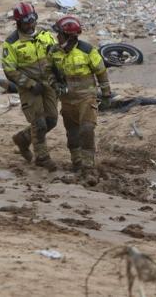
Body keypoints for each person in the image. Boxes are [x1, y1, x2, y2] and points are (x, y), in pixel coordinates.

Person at [48, 15, 111, 185]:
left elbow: (101, 73)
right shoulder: (54, 52)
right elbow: (49, 73)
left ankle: (88, 166)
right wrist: (55, 84)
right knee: (72, 132)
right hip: (67, 100)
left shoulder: (88, 51)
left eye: (59, 34)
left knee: (87, 129)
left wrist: (106, 95)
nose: (57, 37)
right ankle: (77, 163)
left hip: (86, 98)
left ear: (69, 36)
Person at [1, 2, 58, 171]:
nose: (30, 24)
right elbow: (9, 69)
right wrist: (30, 84)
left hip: (49, 83)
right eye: (26, 22)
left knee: (51, 120)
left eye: (33, 20)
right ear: (18, 22)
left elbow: (56, 57)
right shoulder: (11, 43)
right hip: (29, 87)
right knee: (39, 122)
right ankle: (42, 157)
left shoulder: (46, 35)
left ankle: (23, 138)